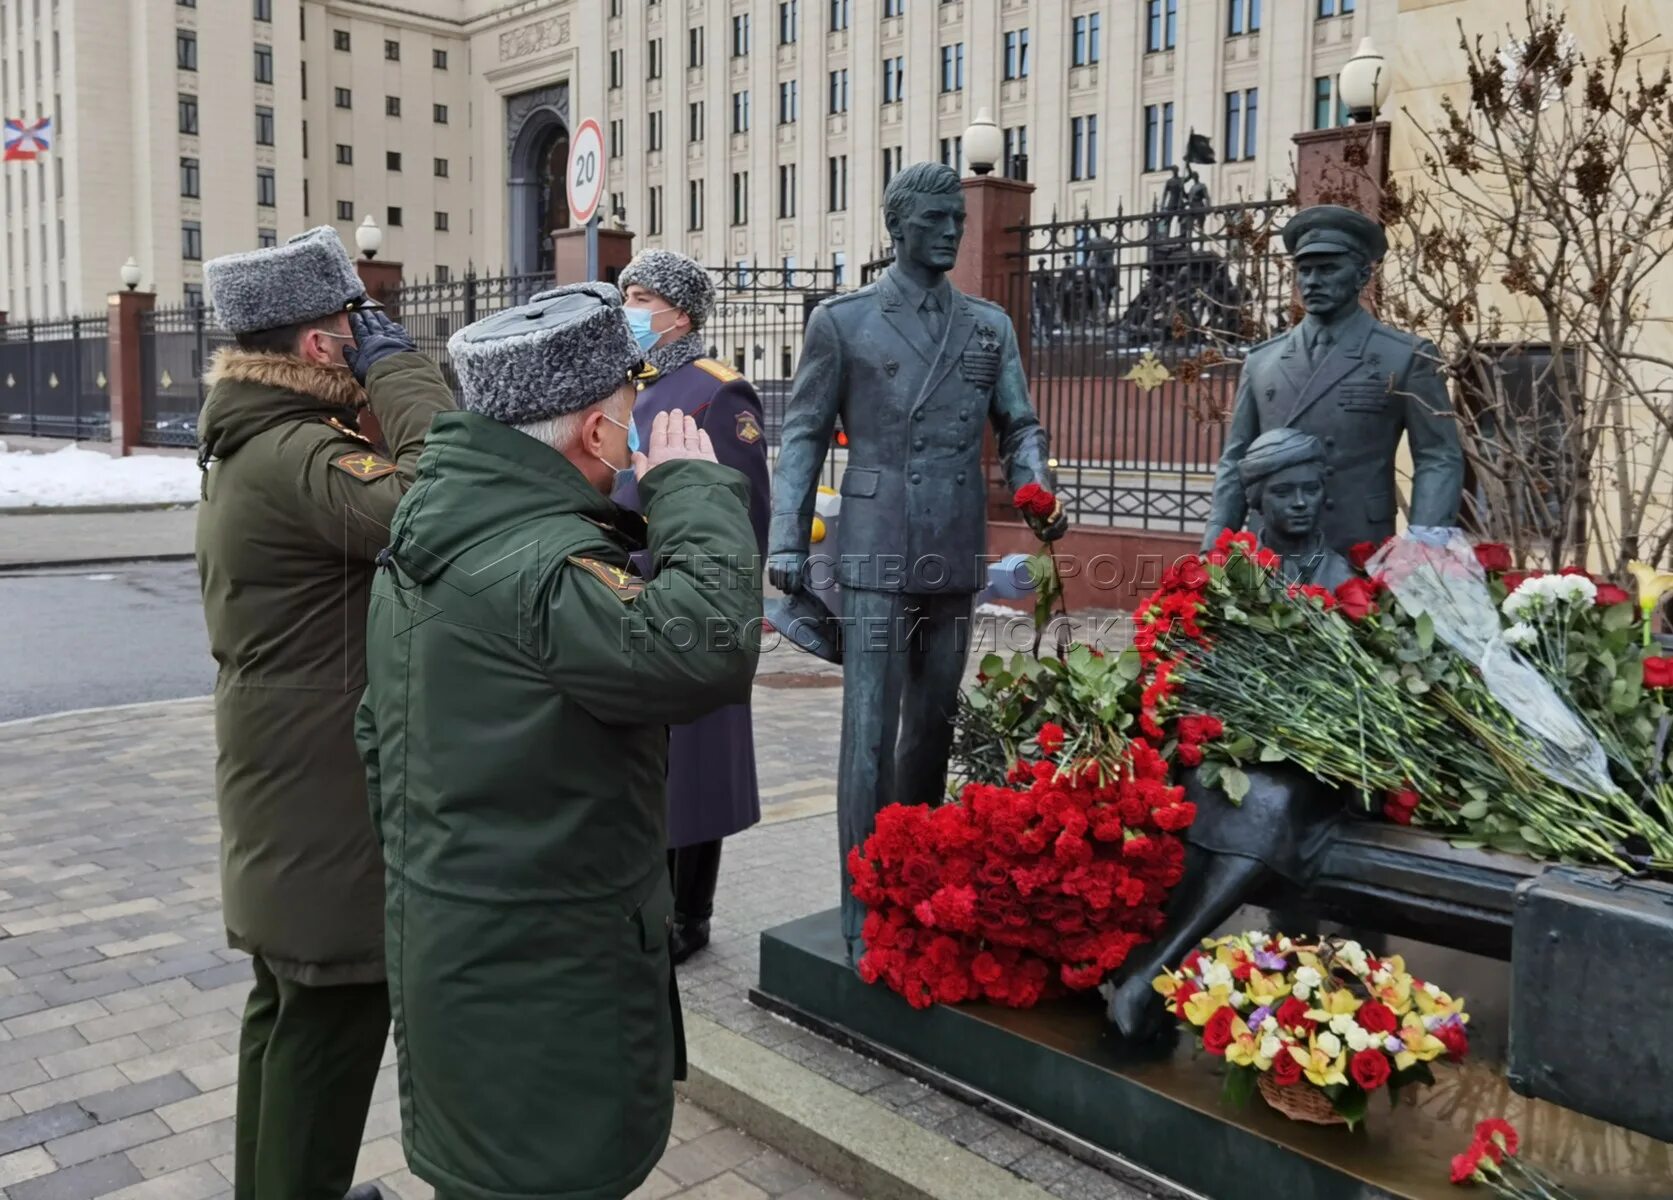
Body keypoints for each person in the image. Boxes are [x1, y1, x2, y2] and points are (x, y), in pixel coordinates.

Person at [355, 283, 762, 1200]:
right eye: (627, 410)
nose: (636, 428)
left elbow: (375, 738)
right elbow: (705, 650)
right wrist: (692, 485)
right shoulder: (543, 570)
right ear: (592, 432)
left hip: (461, 950)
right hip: (543, 982)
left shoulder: (434, 534)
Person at [197, 225, 454, 1200]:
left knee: (286, 1017)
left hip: (292, 787)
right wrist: (406, 375)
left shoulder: (253, 440)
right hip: (329, 802)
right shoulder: (303, 457)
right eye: (357, 323)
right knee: (332, 1021)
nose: (368, 335)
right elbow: (446, 501)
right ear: (315, 344)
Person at [766, 161, 1066, 961]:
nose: (949, 231)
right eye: (933, 220)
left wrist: (1036, 481)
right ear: (897, 227)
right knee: (869, 730)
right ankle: (862, 896)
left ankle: (919, 878)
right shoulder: (845, 321)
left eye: (955, 221)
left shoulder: (986, 326)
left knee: (931, 724)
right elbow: (799, 434)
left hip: (951, 540)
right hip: (873, 541)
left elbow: (1019, 425)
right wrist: (787, 539)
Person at [613, 249, 770, 964]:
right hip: (628, 591)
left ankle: (689, 914)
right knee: (653, 762)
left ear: (679, 311)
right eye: (626, 294)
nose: (630, 308)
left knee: (695, 763)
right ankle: (648, 896)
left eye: (642, 296)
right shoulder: (633, 384)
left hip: (687, 594)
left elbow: (740, 515)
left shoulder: (715, 393)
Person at [1202, 205, 1464, 555]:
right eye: (1304, 270)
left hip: (1358, 545)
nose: (1312, 282)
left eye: (1327, 269)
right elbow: (1236, 461)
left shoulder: (1405, 356)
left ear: (1361, 276)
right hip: (1273, 547)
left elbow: (1437, 456)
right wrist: (1214, 545)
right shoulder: (1263, 360)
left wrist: (1424, 549)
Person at [1240, 428, 1355, 590]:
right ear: (1256, 499)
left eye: (1311, 490)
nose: (1300, 502)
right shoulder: (1235, 574)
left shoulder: (1345, 577)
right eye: (1283, 492)